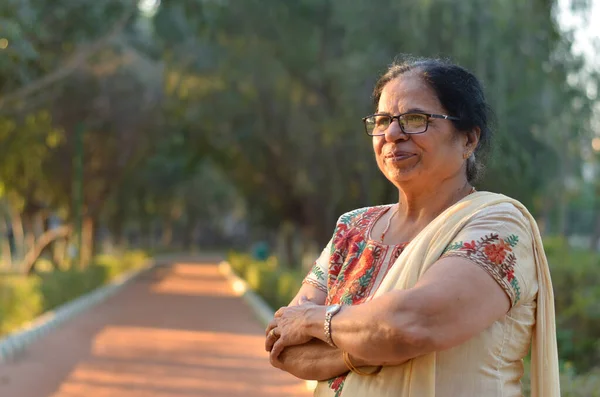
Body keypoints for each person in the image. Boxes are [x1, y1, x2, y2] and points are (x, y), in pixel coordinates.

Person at [264, 56, 560, 397]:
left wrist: (313, 321)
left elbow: (416, 324)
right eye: (383, 120)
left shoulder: (497, 223)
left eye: (415, 119)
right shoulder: (353, 227)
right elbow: (283, 346)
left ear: (468, 139)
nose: (392, 133)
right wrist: (371, 346)